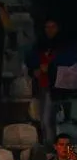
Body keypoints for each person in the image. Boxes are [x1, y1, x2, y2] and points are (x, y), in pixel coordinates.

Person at [26, 20, 65, 148]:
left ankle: (53, 146)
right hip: (42, 86)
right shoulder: (39, 45)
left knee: (51, 119)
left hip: (59, 88)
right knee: (43, 119)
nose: (49, 30)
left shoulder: (64, 45)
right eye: (47, 27)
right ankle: (48, 145)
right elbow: (31, 62)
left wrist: (50, 68)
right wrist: (35, 69)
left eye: (52, 27)